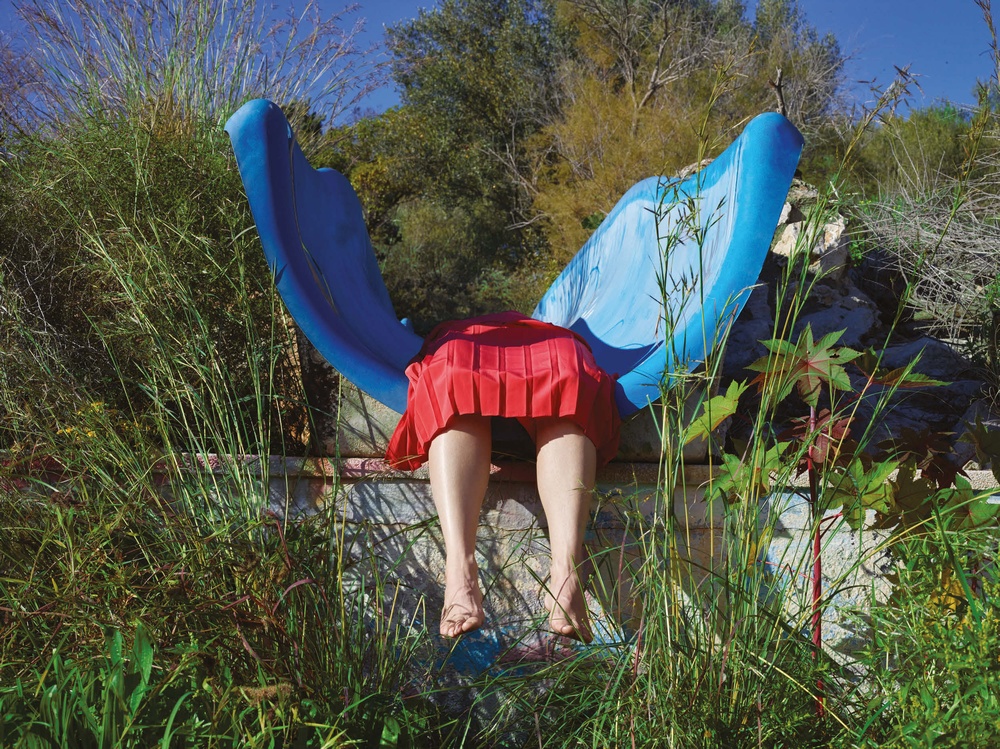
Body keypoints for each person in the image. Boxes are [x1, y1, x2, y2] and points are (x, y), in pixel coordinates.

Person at [386, 311, 621, 642]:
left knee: (567, 376)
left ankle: (568, 575)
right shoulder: (458, 337)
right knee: (452, 376)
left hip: (552, 343)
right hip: (463, 343)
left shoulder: (556, 336)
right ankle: (460, 573)